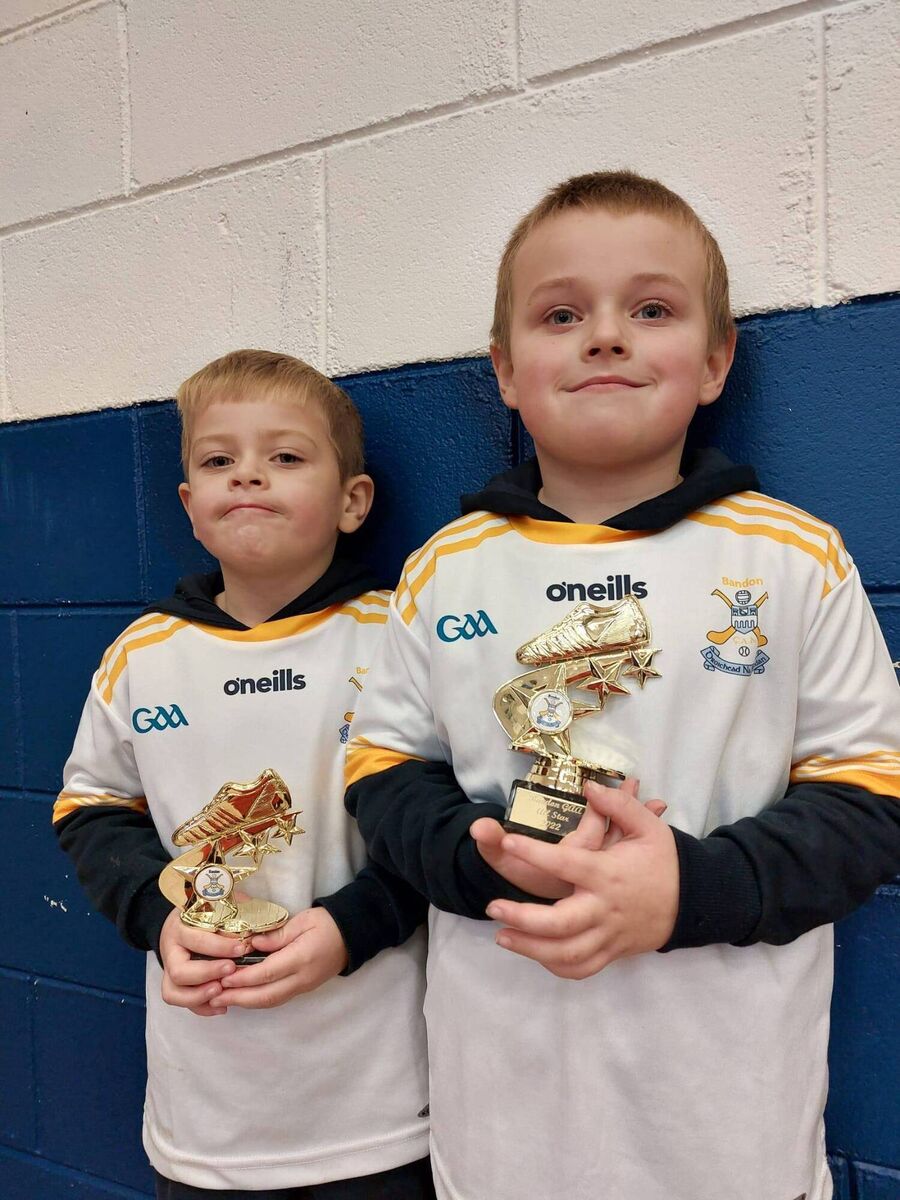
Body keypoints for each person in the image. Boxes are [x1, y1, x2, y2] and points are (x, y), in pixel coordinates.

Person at [344, 172, 900, 1200]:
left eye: (651, 310)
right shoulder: (444, 569)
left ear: (717, 358)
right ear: (506, 372)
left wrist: (687, 890)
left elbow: (871, 804)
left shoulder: (792, 559)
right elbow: (382, 772)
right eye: (563, 314)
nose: (605, 337)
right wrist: (494, 862)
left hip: (733, 1143)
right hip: (502, 1141)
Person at [55, 350, 433, 1199]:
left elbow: (442, 819)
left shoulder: (397, 639)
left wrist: (355, 925)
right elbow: (90, 809)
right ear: (189, 506)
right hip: (207, 1124)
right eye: (218, 460)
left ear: (352, 501)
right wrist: (159, 916)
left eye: (287, 457)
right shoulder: (141, 659)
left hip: (379, 1112)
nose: (249, 476)